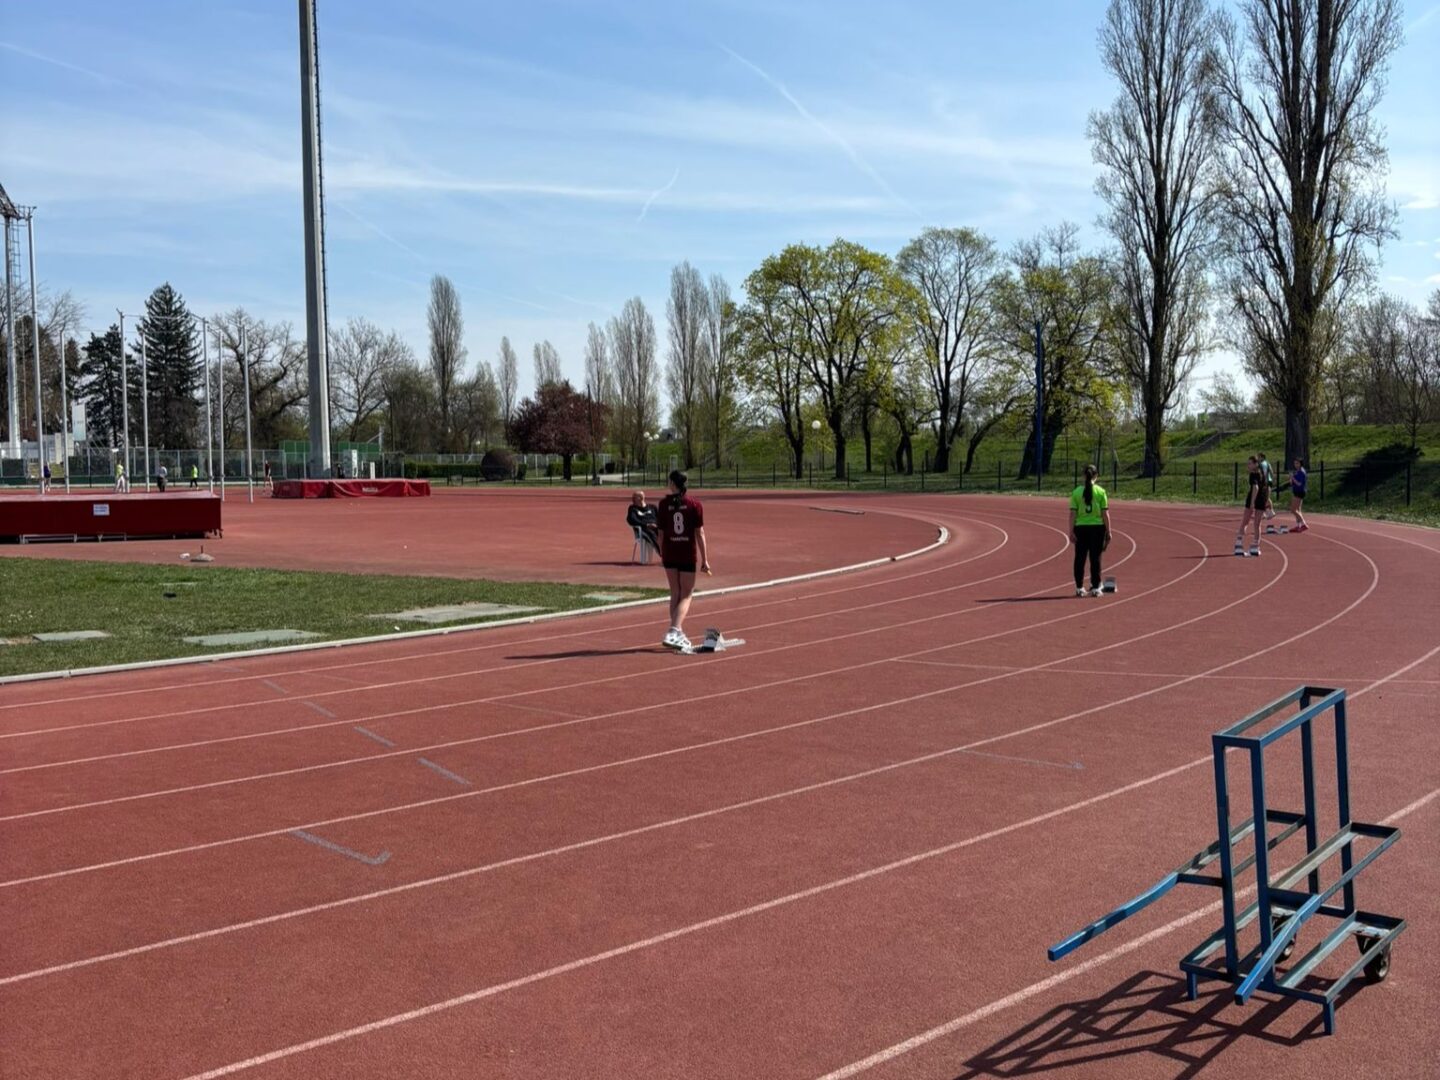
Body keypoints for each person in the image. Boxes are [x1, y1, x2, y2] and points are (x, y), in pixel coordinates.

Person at [657, 469, 710, 651]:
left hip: (670, 553)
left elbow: (660, 534)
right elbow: (699, 533)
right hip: (687, 553)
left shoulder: (663, 504)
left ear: (673, 484)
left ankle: (677, 631)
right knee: (686, 594)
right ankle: (674, 630)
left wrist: (662, 553)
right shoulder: (694, 504)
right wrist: (705, 559)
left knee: (675, 592)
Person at [1068, 463, 1111, 596]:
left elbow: (1072, 514)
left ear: (1083, 476)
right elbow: (1105, 513)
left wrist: (1071, 531)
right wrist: (1109, 531)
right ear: (1096, 476)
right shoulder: (1101, 492)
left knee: (1080, 558)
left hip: (1081, 528)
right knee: (1095, 558)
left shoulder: (1076, 492)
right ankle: (1096, 587)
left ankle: (1079, 587)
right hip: (1097, 528)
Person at [1235, 456, 1268, 556]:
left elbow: (1255, 487)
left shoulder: (1253, 474)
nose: (1248, 466)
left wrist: (1252, 503)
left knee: (1245, 521)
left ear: (1255, 464)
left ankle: (1238, 545)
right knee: (1257, 524)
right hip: (1262, 498)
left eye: (1250, 463)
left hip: (1254, 498)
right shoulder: (1262, 473)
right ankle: (1255, 547)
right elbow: (1266, 487)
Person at [626, 490, 660, 559]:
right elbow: (632, 520)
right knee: (651, 534)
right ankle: (662, 553)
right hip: (643, 529)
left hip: (655, 527)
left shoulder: (653, 507)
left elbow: (660, 518)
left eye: (634, 497)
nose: (632, 499)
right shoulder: (633, 508)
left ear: (641, 498)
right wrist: (647, 524)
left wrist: (657, 525)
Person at [1284, 458, 1310, 532]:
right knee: (1298, 510)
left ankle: (1304, 524)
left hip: (1299, 492)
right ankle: (1299, 526)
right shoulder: (1297, 471)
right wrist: (1291, 479)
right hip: (1297, 491)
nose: (1295, 465)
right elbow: (1293, 482)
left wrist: (1292, 477)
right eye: (1295, 463)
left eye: (1297, 463)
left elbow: (1299, 484)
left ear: (1301, 464)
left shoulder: (1301, 472)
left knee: (1293, 510)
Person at [1259, 453, 1277, 523]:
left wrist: (1264, 481)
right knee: (1265, 497)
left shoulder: (1262, 464)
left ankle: (1270, 512)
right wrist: (1273, 479)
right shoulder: (1267, 463)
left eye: (1259, 457)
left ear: (1262, 457)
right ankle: (1264, 513)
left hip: (1265, 482)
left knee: (1265, 497)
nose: (1258, 458)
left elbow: (1264, 473)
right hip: (1269, 481)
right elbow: (1271, 472)